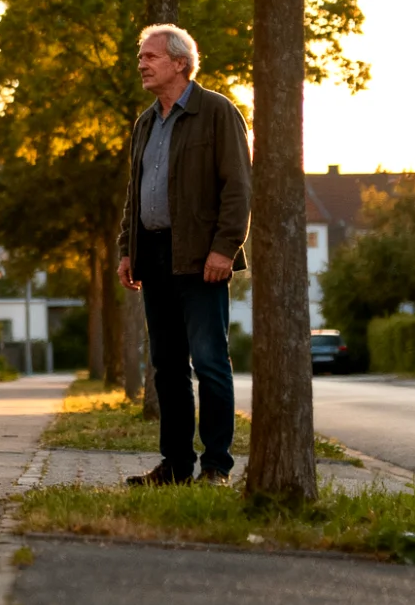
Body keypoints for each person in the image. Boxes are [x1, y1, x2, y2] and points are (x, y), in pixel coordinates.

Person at [116, 24, 250, 487]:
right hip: (153, 256)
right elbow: (135, 194)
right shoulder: (145, 122)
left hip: (201, 257)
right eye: (141, 57)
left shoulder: (217, 112)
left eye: (150, 56)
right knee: (167, 367)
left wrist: (224, 248)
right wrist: (127, 250)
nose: (141, 64)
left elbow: (238, 187)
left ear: (180, 63)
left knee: (210, 361)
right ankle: (175, 465)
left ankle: (216, 465)